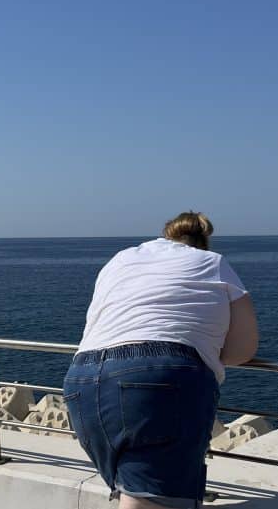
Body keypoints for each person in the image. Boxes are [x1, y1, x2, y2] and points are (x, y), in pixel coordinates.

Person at [63, 211, 259, 509]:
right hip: (161, 379)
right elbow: (245, 348)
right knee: (152, 501)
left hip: (84, 380)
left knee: (131, 493)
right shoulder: (213, 262)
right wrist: (206, 349)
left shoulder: (121, 259)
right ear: (202, 242)